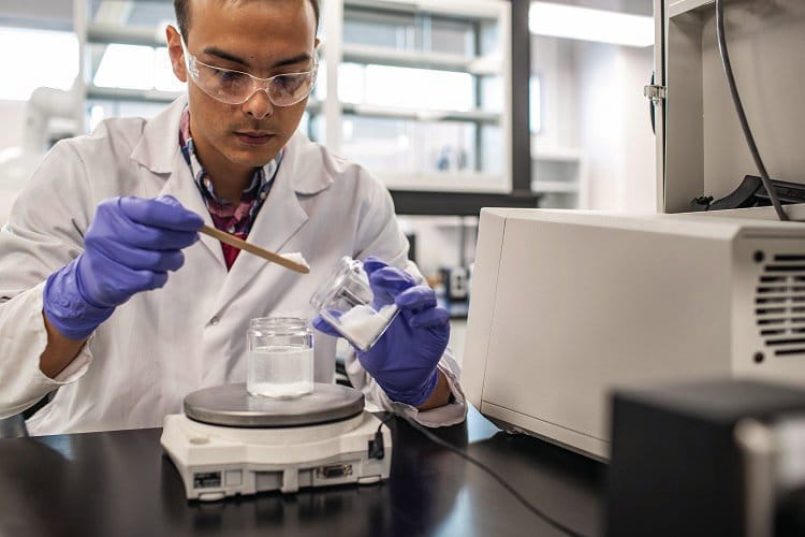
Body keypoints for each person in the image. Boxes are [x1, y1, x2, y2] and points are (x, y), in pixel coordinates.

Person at [0, 0, 466, 435]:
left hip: (283, 486)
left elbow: (429, 399)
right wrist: (73, 297)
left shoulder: (354, 196)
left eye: (288, 78)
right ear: (179, 56)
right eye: (228, 73)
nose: (259, 105)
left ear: (314, 59)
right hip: (102, 487)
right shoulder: (83, 170)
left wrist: (419, 383)